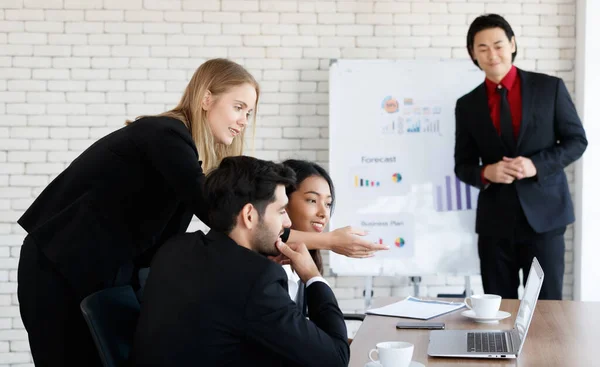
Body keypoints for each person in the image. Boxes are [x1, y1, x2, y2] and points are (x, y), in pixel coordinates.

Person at [16, 58, 380, 366]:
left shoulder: (187, 156)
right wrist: (328, 241)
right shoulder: (167, 135)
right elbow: (220, 214)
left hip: (103, 272)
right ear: (206, 98)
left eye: (249, 113)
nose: (243, 121)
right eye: (238, 107)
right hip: (58, 268)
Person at [132, 156, 350, 367]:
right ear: (249, 215)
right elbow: (336, 357)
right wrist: (313, 277)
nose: (287, 222)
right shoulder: (257, 280)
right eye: (282, 211)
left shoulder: (176, 248)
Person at [454, 14, 587, 300]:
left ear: (513, 44)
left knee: (547, 308)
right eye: (483, 48)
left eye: (499, 45)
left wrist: (535, 165)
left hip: (546, 219)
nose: (492, 54)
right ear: (472, 54)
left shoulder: (549, 88)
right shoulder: (467, 105)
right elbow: (462, 165)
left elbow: (577, 141)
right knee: (497, 309)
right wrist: (486, 172)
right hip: (495, 224)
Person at [280, 159, 334, 311]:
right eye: (312, 200)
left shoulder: (306, 258)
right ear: (282, 200)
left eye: (328, 204)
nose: (323, 213)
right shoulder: (270, 265)